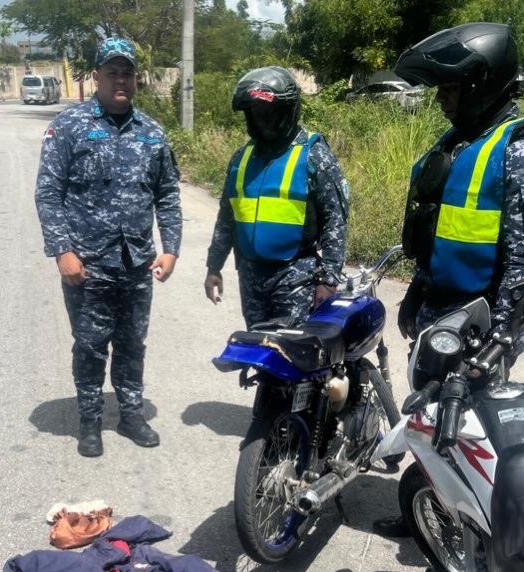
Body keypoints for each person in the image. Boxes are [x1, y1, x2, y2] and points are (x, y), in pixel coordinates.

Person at [373, 22, 524, 543]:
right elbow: (437, 228)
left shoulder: (523, 149)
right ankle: (429, 512)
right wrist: (417, 290)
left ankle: (474, 542)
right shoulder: (461, 142)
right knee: (431, 418)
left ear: (482, 83)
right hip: (440, 308)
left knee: (468, 427)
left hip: (483, 323)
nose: (441, 100)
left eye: (450, 88)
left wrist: (497, 343)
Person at [36, 37, 182, 458]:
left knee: (133, 342)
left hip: (136, 261)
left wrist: (170, 248)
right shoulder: (69, 127)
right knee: (89, 344)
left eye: (128, 73)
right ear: (96, 77)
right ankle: (90, 420)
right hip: (86, 262)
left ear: (136, 79)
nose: (121, 80)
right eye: (112, 72)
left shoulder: (152, 133)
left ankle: (132, 415)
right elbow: (48, 194)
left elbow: (168, 195)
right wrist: (62, 251)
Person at [204, 66, 349, 329]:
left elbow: (335, 220)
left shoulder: (313, 155)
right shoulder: (242, 158)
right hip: (251, 277)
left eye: (269, 113)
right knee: (258, 353)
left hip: (295, 277)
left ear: (287, 111)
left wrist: (329, 279)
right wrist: (213, 266)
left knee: (292, 357)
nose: (263, 120)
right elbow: (227, 218)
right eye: (256, 113)